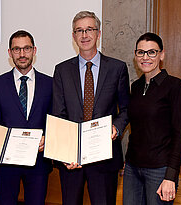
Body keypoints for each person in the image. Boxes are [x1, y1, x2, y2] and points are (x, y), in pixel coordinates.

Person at [52, 11, 130, 205]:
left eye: (89, 29)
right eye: (79, 30)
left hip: (104, 157)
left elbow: (127, 109)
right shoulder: (62, 70)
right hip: (71, 159)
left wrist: (117, 128)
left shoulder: (117, 68)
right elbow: (58, 114)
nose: (84, 35)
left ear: (98, 33)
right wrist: (62, 152)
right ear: (73, 36)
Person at [0, 30, 53, 204]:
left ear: (34, 50)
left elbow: (55, 120)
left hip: (39, 164)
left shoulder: (50, 84)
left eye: (26, 48)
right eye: (17, 49)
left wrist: (49, 139)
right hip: (7, 165)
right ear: (9, 53)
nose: (22, 54)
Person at [123, 32, 181, 204]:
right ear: (135, 55)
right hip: (132, 168)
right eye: (141, 52)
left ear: (161, 55)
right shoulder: (135, 87)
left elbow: (179, 135)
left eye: (152, 52)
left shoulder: (174, 86)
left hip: (160, 170)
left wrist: (171, 177)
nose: (146, 57)